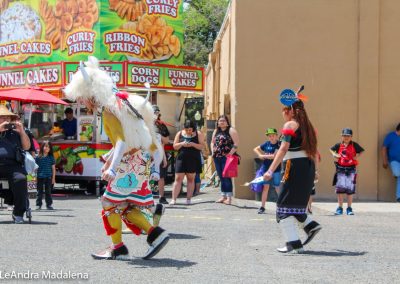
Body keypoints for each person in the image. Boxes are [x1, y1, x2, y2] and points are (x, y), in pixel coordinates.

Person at [65, 56, 169, 260]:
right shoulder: (118, 104)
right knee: (125, 206)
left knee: (108, 203)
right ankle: (155, 234)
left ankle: (119, 247)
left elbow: (121, 142)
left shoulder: (108, 110)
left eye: (81, 97)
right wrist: (110, 158)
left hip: (128, 164)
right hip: (139, 162)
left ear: (90, 93)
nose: (81, 101)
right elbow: (133, 140)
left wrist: (111, 167)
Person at [263, 88, 321, 253]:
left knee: (282, 205)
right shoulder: (309, 128)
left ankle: (294, 244)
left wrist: (270, 170)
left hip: (293, 167)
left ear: (289, 110)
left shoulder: (290, 125)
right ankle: (311, 226)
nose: (283, 114)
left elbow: (282, 149)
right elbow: (315, 151)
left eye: (284, 110)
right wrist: (315, 171)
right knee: (293, 204)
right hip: (307, 167)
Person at [0, 105, 31, 224]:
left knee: (21, 179)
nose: (6, 120)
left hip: (12, 165)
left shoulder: (15, 133)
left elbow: (27, 147)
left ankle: (18, 213)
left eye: (7, 117)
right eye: (2, 117)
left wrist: (22, 132)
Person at [330, 128, 364, 215]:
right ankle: (340, 208)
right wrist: (334, 154)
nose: (346, 137)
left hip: (351, 169)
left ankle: (349, 208)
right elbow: (331, 149)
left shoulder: (354, 145)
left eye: (348, 136)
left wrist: (357, 156)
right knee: (340, 189)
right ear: (342, 136)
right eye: (344, 135)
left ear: (351, 137)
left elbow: (362, 151)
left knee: (350, 189)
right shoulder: (338, 145)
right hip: (340, 168)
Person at [170, 120, 204, 205]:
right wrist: (182, 144)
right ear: (184, 128)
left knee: (190, 179)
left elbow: (201, 146)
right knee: (178, 179)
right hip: (181, 158)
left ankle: (188, 199)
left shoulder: (198, 134)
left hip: (193, 159)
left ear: (194, 129)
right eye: (187, 129)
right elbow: (175, 146)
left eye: (190, 130)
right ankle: (173, 199)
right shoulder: (179, 133)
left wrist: (192, 144)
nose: (188, 131)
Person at [211, 115, 239, 205]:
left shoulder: (231, 130)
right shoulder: (216, 131)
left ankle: (229, 198)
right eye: (220, 121)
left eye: (223, 120)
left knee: (227, 177)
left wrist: (230, 154)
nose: (221, 122)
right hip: (217, 157)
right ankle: (223, 196)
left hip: (226, 158)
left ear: (227, 122)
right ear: (218, 123)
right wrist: (212, 152)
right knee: (221, 176)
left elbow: (236, 143)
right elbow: (212, 142)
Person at [252, 128, 281, 214]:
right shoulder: (266, 144)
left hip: (276, 169)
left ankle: (281, 206)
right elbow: (256, 149)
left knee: (277, 187)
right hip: (266, 169)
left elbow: (274, 156)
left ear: (276, 136)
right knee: (265, 188)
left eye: (273, 135)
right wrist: (260, 154)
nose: (271, 137)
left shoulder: (279, 145)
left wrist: (264, 156)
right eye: (270, 136)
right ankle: (262, 207)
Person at [153, 105, 170, 204]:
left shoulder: (162, 125)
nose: (155, 114)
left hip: (159, 152)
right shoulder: (144, 123)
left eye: (156, 112)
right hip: (147, 153)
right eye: (153, 112)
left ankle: (161, 196)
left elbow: (166, 141)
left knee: (161, 176)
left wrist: (158, 136)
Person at [382, 123, 400, 202]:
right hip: (394, 160)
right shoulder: (390, 136)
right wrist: (385, 160)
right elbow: (384, 148)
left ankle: (399, 197)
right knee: (397, 173)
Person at [35, 140, 55, 210]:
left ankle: (49, 204)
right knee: (39, 192)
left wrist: (53, 178)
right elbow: (35, 168)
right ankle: (38, 204)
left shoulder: (51, 157)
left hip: (48, 177)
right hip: (40, 177)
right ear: (42, 147)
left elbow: (53, 169)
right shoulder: (38, 157)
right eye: (46, 146)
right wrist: (34, 177)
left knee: (48, 192)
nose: (47, 148)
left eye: (49, 147)